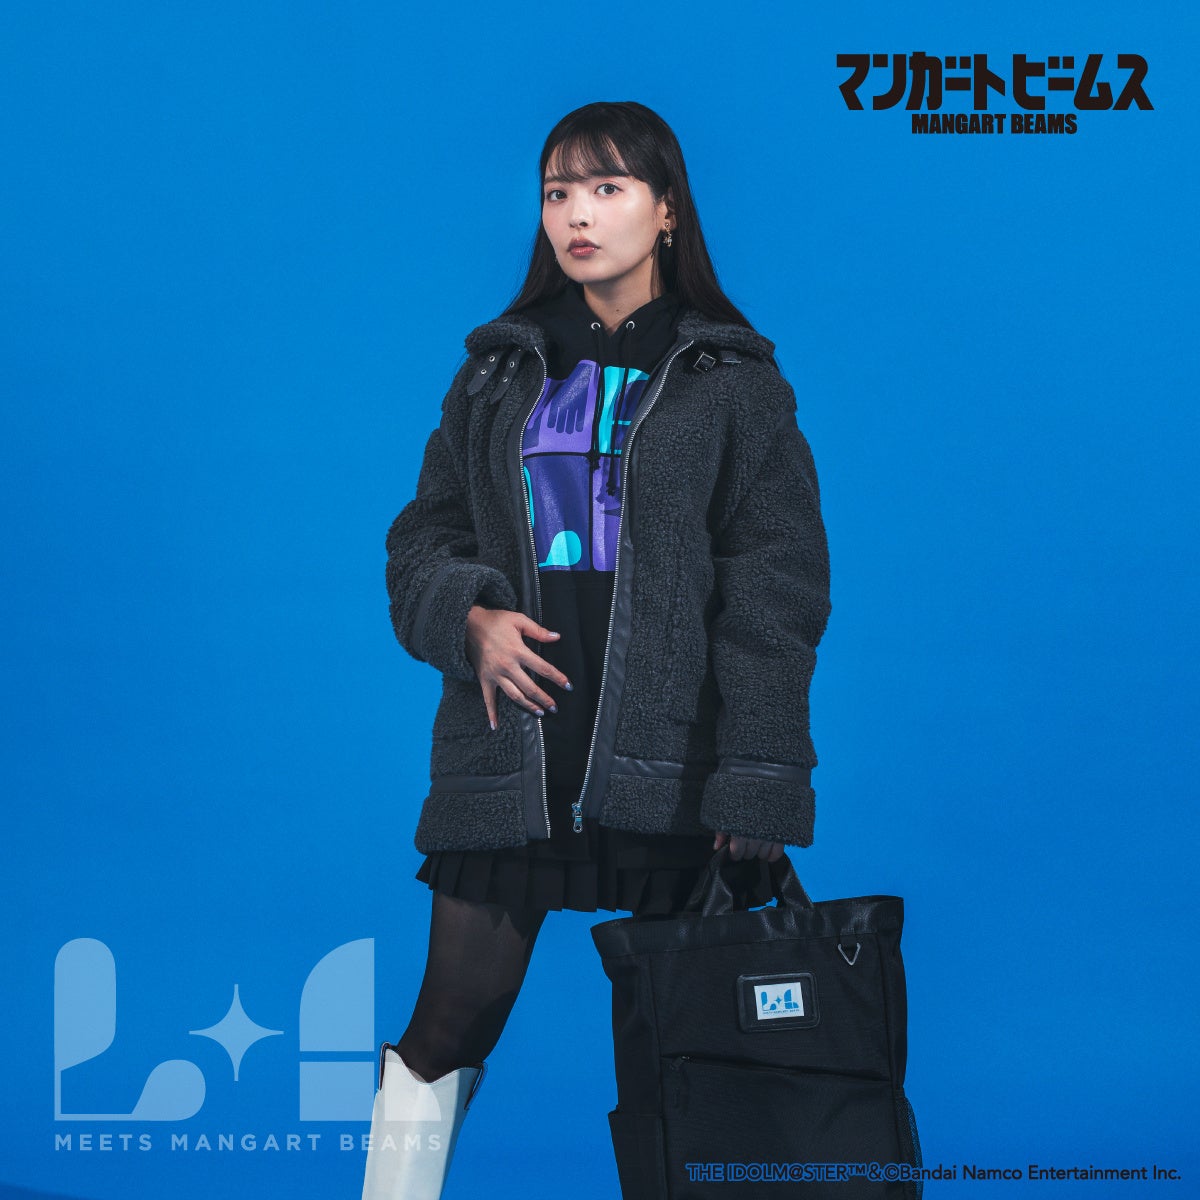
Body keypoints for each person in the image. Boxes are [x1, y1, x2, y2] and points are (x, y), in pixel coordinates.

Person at [362, 100, 831, 1199]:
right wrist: (467, 616)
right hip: (513, 756)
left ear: (666, 211)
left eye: (608, 188)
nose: (577, 214)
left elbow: (777, 591)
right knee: (441, 1032)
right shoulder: (496, 373)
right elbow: (422, 536)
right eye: (558, 192)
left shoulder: (734, 383)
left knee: (683, 1050)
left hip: (674, 767)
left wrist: (760, 775)